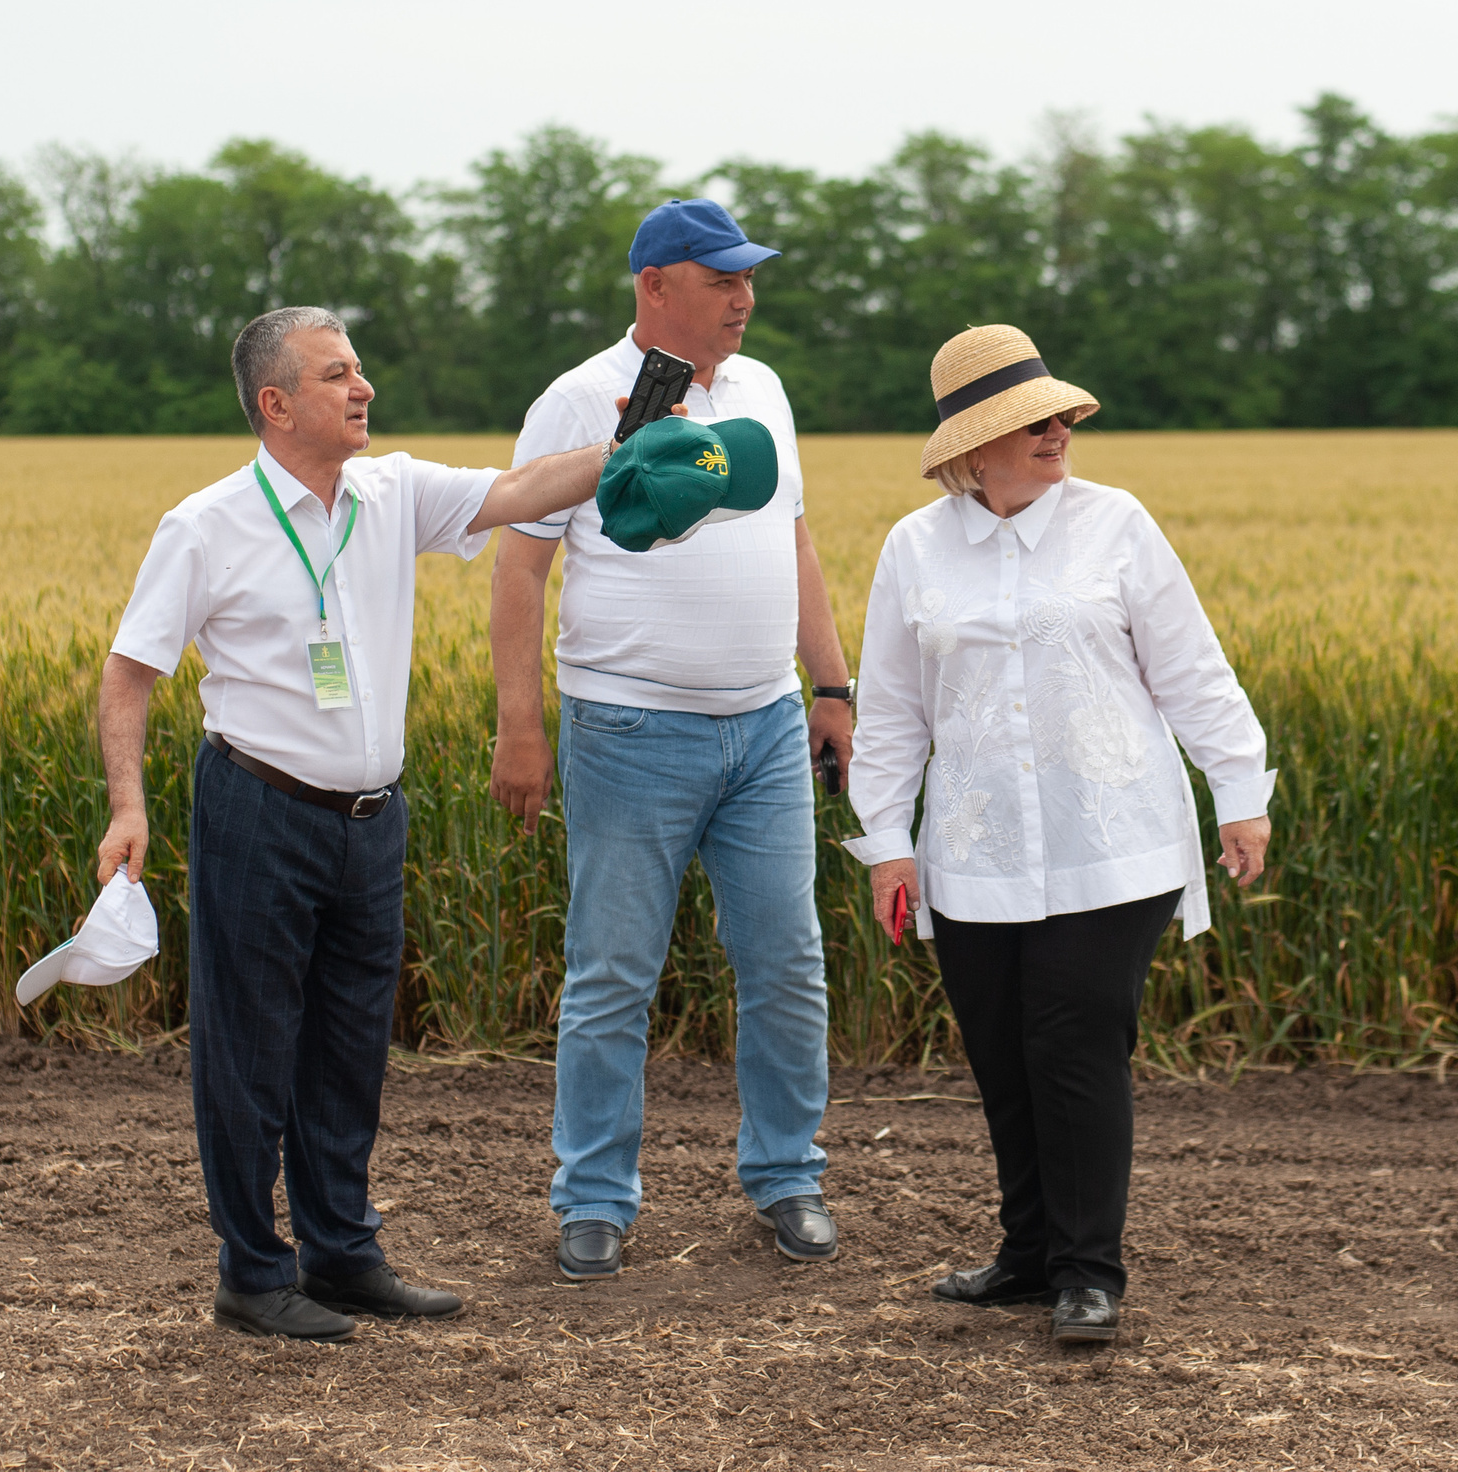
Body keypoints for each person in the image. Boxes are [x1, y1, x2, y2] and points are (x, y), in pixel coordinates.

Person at [96, 306, 623, 1342]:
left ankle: (341, 1256)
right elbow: (130, 671)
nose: (363, 387)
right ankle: (253, 1272)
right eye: (338, 373)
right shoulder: (204, 525)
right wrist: (128, 804)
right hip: (258, 808)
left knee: (347, 1052)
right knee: (248, 1055)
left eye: (361, 368)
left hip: (372, 820)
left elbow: (521, 491)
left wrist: (628, 446)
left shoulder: (393, 491)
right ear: (276, 403)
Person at [843, 324, 1275, 1345]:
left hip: (1113, 837)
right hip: (976, 849)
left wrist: (1239, 790)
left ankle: (1089, 1271)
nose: (1058, 431)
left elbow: (1193, 671)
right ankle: (1028, 1255)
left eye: (1060, 415)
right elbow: (895, 711)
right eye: (1030, 422)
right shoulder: (914, 547)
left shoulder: (1115, 524)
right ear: (972, 446)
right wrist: (885, 840)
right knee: (1001, 1051)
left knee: (1074, 1044)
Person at [489, 198, 853, 1281]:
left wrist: (830, 683)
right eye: (722, 279)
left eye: (749, 279)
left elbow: (792, 541)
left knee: (786, 965)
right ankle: (593, 1200)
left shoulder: (765, 391)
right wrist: (521, 725)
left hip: (768, 725)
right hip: (629, 729)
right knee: (612, 974)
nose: (745, 298)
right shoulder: (576, 398)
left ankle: (788, 1176)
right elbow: (518, 567)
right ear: (656, 286)